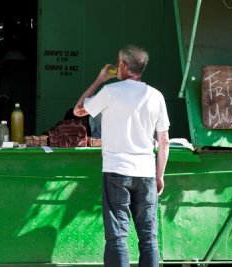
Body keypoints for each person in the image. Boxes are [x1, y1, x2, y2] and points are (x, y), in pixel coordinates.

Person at [73, 44, 170, 267]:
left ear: (123, 66)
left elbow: (78, 109)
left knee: (117, 237)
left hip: (116, 171)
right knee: (149, 238)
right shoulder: (156, 96)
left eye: (118, 62)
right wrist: (159, 176)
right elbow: (164, 140)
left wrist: (100, 79)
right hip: (145, 173)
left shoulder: (110, 91)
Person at [0, 49, 36, 135]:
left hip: (14, 126)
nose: (5, 67)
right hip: (33, 124)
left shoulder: (8, 78)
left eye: (7, 64)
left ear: (14, 63)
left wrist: (2, 127)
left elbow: (4, 104)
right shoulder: (34, 78)